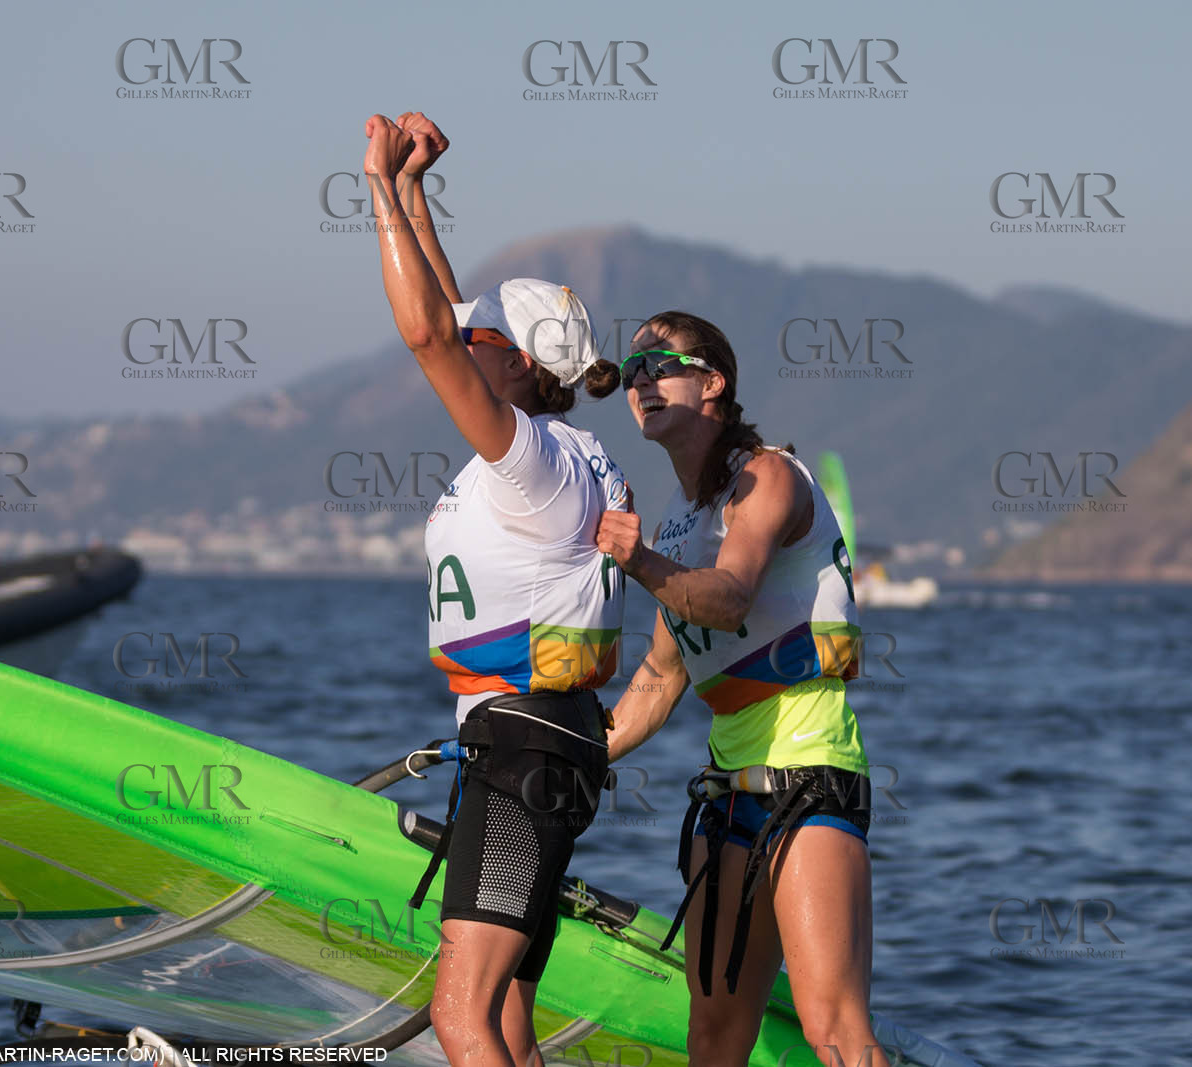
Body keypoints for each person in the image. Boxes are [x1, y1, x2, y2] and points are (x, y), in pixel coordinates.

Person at [365, 111, 630, 1067]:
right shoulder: (564, 450)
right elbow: (450, 315)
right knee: (510, 1015)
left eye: (478, 335)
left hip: (524, 749)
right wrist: (414, 190)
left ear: (516, 362)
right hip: (543, 742)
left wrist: (373, 187)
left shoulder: (531, 463)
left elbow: (427, 332)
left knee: (461, 1014)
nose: (460, 336)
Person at [593, 312, 885, 1067]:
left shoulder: (769, 476)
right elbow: (660, 678)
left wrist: (639, 562)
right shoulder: (679, 518)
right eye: (630, 372)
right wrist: (569, 751)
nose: (640, 381)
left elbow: (729, 598)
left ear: (713, 382)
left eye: (659, 365)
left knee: (833, 1029)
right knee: (713, 1040)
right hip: (726, 797)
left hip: (809, 776)